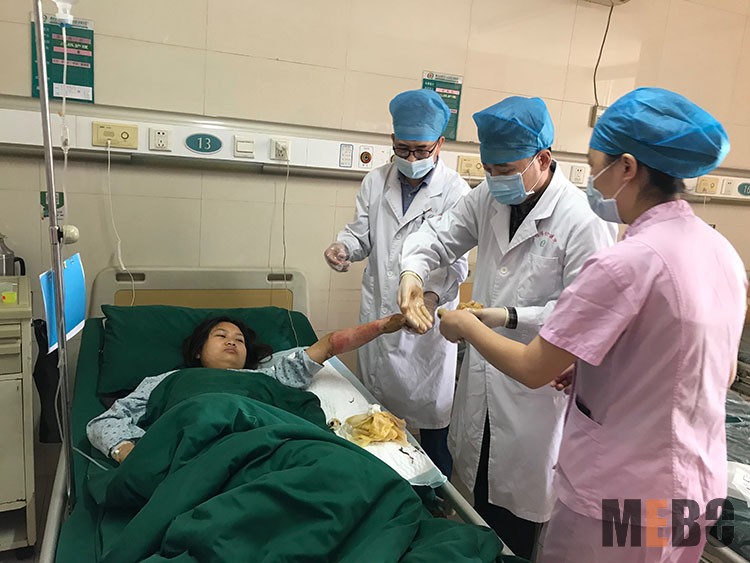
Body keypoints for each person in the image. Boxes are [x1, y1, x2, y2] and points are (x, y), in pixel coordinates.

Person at [437, 87, 747, 562]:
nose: (592, 180)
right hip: (691, 487)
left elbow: (532, 368)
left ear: (627, 167)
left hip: (623, 497)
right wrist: (591, 373)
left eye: (594, 164)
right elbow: (715, 371)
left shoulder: (628, 262)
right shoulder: (719, 250)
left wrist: (465, 324)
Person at [398, 96, 617, 558]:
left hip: (538, 393)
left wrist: (508, 317)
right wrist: (412, 273)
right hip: (484, 378)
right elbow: (439, 236)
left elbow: (584, 312)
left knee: (518, 524)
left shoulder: (583, 219)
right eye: (489, 169)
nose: (495, 179)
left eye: (506, 169)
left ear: (544, 159)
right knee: (475, 504)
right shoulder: (489, 197)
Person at [323, 89, 469, 477]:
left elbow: (456, 264)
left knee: (433, 433)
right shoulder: (375, 182)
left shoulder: (456, 191)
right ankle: (382, 490)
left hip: (426, 333)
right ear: (392, 141)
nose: (412, 159)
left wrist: (429, 298)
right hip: (379, 319)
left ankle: (436, 497)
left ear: (440, 144)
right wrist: (343, 248)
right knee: (375, 426)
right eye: (403, 149)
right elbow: (360, 234)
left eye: (422, 150)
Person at [88, 314, 405, 463]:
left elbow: (330, 345)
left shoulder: (268, 377)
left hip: (276, 452)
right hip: (198, 458)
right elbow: (104, 422)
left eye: (239, 340)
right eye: (221, 336)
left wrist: (381, 327)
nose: (232, 341)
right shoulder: (166, 380)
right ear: (197, 351)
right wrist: (133, 455)